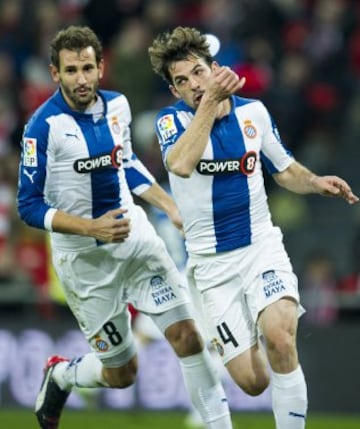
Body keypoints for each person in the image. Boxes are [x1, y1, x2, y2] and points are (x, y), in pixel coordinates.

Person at [16, 25, 233, 429]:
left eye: (87, 68)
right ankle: (62, 374)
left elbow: (127, 163)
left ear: (101, 67)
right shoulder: (41, 128)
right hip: (85, 263)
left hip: (136, 242)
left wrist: (170, 207)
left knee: (188, 336)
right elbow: (28, 206)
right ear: (54, 74)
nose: (80, 79)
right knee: (122, 372)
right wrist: (88, 227)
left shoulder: (118, 105)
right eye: (70, 70)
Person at [148, 26, 359, 429]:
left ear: (215, 68)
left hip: (260, 245)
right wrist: (210, 101)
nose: (193, 84)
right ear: (175, 91)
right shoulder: (171, 122)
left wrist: (314, 182)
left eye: (198, 72)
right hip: (212, 266)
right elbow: (180, 164)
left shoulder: (254, 113)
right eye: (182, 81)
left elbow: (284, 170)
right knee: (253, 382)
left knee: (281, 337)